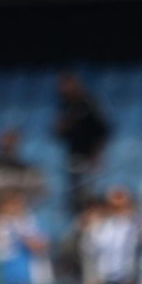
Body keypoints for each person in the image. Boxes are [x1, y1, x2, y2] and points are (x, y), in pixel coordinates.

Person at [54, 74, 110, 209]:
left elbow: (103, 129)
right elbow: (61, 134)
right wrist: (61, 128)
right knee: (76, 193)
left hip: (91, 156)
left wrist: (96, 154)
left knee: (90, 192)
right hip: (74, 155)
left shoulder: (89, 103)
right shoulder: (64, 105)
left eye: (66, 85)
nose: (63, 89)